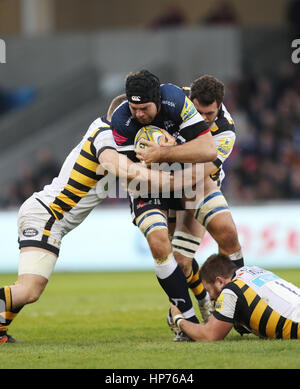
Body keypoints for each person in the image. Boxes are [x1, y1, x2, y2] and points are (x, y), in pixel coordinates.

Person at [0, 98, 185, 344]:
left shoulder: (119, 142)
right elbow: (119, 167)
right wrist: (172, 180)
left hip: (48, 215)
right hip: (48, 214)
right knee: (30, 290)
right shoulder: (105, 133)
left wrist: (167, 150)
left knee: (28, 287)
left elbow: (134, 177)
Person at [111, 69, 217, 332]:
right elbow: (131, 173)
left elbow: (209, 149)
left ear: (157, 100)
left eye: (144, 108)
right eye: (134, 108)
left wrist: (165, 152)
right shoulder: (121, 119)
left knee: (183, 258)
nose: (138, 114)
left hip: (185, 182)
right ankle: (188, 319)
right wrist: (164, 162)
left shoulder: (176, 101)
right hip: (146, 186)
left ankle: (204, 298)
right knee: (159, 243)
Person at [136, 75, 244, 325]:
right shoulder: (174, 102)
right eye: (199, 112)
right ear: (190, 100)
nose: (204, 118)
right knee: (177, 262)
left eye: (209, 113)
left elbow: (202, 170)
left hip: (196, 184)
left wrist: (165, 156)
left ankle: (235, 305)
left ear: (219, 106)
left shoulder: (225, 131)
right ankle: (201, 302)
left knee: (218, 238)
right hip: (168, 187)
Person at [170, 253, 300, 341]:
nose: (210, 298)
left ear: (220, 282)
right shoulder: (253, 271)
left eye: (208, 291)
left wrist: (178, 319)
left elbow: (209, 335)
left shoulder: (231, 290)